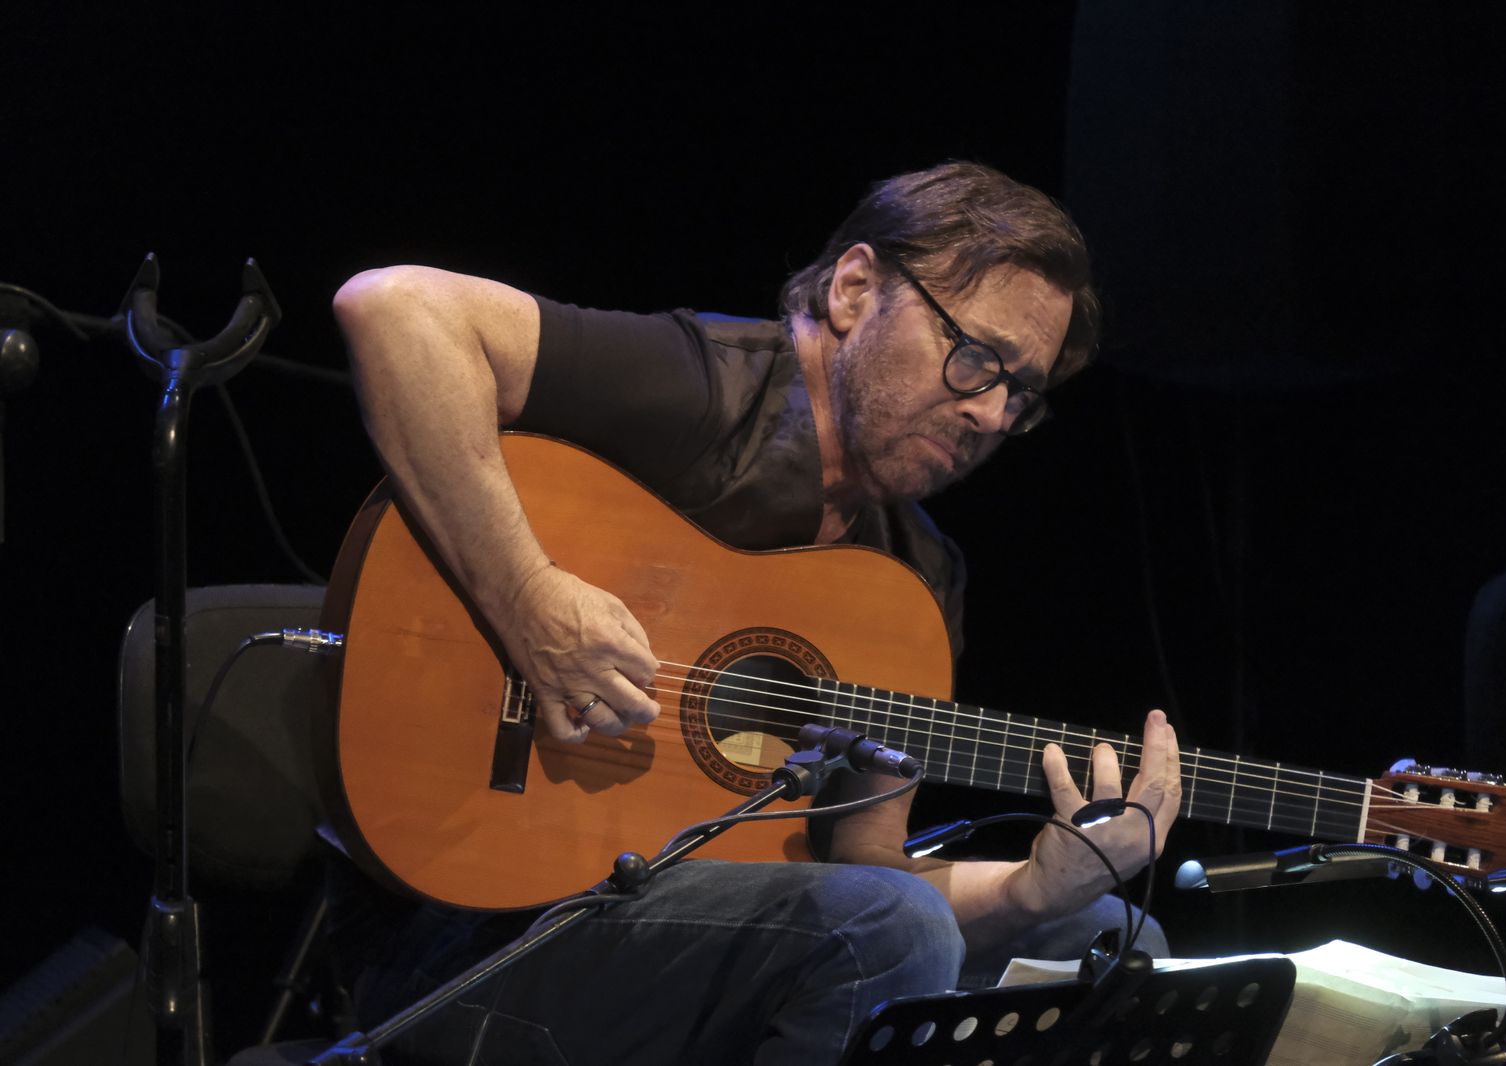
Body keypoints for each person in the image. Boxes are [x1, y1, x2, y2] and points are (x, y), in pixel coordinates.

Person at [329, 161, 1183, 1065]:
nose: (990, 411)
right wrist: (530, 596)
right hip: (466, 931)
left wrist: (1027, 893)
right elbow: (394, 307)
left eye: (1020, 393)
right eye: (975, 358)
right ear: (856, 289)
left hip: (670, 936)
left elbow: (862, 869)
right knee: (885, 930)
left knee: (1111, 942)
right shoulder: (711, 396)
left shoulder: (918, 575)